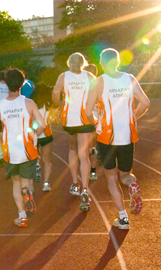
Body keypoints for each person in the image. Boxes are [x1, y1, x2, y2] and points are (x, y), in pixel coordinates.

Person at [86, 48, 150, 229]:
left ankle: (122, 217)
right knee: (126, 175)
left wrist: (97, 123)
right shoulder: (129, 79)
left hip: (107, 137)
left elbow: (88, 111)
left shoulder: (98, 82)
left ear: (102, 63)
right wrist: (135, 116)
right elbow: (145, 102)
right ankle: (132, 186)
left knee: (111, 177)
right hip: (128, 136)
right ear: (118, 61)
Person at [0, 68, 44, 227]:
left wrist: (1, 136)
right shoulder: (29, 102)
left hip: (10, 150)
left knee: (15, 182)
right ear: (22, 83)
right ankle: (28, 194)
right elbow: (42, 124)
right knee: (27, 182)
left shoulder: (0, 105)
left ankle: (22, 217)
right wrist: (34, 133)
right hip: (28, 148)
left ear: (6, 84)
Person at [52, 52, 96, 212]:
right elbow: (96, 95)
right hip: (85, 119)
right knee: (84, 155)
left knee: (72, 149)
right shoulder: (90, 76)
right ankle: (85, 189)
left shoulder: (63, 76)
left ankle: (75, 184)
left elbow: (56, 93)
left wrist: (56, 104)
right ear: (83, 63)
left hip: (70, 119)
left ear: (69, 63)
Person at [30, 83, 54, 192]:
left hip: (34, 133)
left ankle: (36, 165)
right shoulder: (49, 104)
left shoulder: (31, 104)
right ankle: (46, 183)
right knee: (47, 160)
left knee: (34, 157)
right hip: (46, 133)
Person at [85, 63, 100, 180]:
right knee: (93, 145)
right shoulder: (99, 85)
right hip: (96, 118)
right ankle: (93, 172)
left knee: (84, 147)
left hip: (85, 119)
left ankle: (87, 170)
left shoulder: (83, 87)